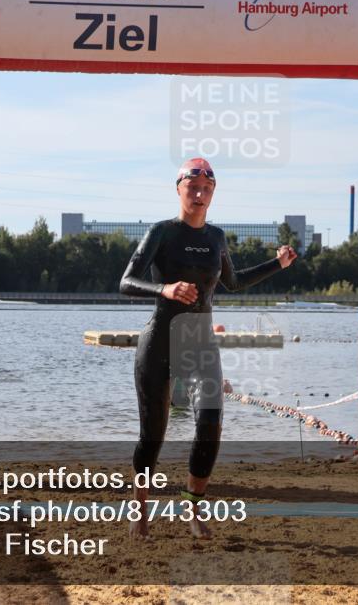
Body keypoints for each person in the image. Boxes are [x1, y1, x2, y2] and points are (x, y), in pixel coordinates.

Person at [119, 157, 297, 540]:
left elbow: (233, 282)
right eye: (193, 188)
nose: (199, 195)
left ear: (213, 194)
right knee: (153, 435)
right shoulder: (161, 232)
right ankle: (140, 505)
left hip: (200, 343)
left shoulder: (216, 238)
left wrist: (277, 264)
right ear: (179, 189)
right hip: (160, 341)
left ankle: (192, 506)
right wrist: (165, 289)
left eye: (207, 189)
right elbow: (127, 281)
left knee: (211, 422)